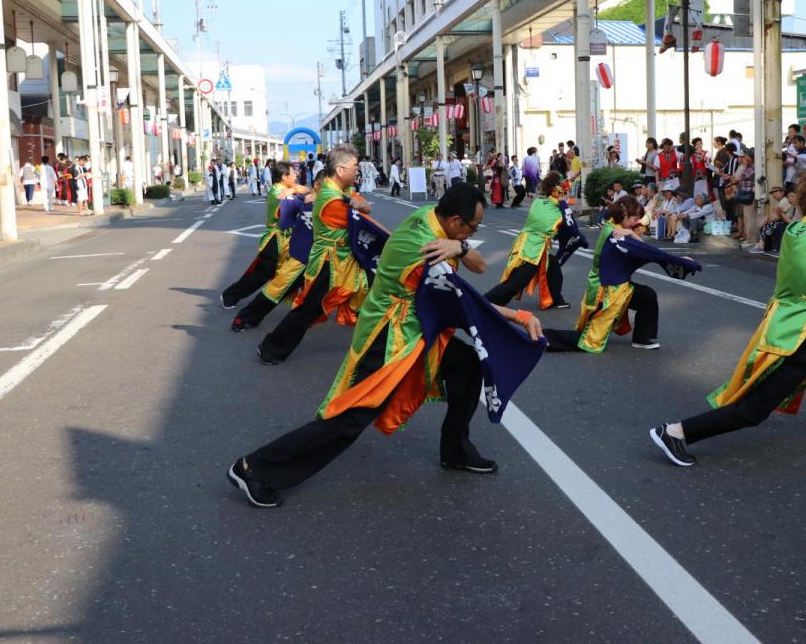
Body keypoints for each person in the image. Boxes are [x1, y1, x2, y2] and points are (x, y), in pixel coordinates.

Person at [227, 184, 545, 508]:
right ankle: (254, 468)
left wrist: (460, 248)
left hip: (417, 327)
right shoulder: (423, 246)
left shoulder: (433, 221)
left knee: (466, 367)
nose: (475, 231)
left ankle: (455, 450)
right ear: (453, 220)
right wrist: (517, 316)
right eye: (473, 227)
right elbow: (463, 304)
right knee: (349, 419)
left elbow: (479, 266)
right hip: (390, 339)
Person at [648, 172, 806, 468]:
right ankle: (676, 432)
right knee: (754, 408)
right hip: (794, 335)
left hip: (805, 325)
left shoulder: (798, 229)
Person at [256, 146, 374, 365]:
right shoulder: (331, 198)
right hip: (330, 263)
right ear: (340, 170)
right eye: (354, 167)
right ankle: (271, 348)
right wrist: (363, 207)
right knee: (309, 308)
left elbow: (359, 202)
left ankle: (376, 350)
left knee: (373, 299)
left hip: (343, 261)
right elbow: (360, 214)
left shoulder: (339, 191)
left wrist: (363, 204)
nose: (357, 171)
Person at [542, 196, 691, 353]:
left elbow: (642, 248)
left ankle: (642, 338)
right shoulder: (614, 233)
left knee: (647, 296)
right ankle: (546, 338)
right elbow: (646, 252)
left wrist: (631, 233)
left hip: (614, 284)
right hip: (608, 289)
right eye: (634, 219)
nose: (636, 223)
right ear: (625, 214)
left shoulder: (615, 226)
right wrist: (680, 261)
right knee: (591, 339)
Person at [222, 162, 304, 311]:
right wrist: (295, 192)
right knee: (262, 273)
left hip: (287, 240)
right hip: (275, 240)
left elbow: (305, 189)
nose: (296, 175)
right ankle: (230, 295)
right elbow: (290, 198)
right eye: (293, 173)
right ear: (284, 177)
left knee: (294, 272)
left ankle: (301, 305)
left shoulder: (287, 189)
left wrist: (294, 189)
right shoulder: (277, 192)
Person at [485, 171, 573, 310]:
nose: (567, 193)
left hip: (529, 244)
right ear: (558, 191)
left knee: (553, 265)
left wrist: (569, 180)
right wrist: (563, 204)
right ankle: (484, 302)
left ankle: (556, 299)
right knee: (516, 283)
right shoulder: (557, 210)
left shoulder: (539, 202)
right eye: (565, 190)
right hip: (532, 249)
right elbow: (568, 227)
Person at [756, 185, 794, 255]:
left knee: (769, 225)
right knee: (768, 224)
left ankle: (762, 245)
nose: (773, 194)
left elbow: (776, 217)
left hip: (786, 222)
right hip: (784, 221)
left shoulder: (784, 201)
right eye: (772, 193)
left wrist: (766, 219)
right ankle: (762, 244)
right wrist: (767, 218)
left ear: (782, 192)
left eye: (776, 192)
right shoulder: (780, 201)